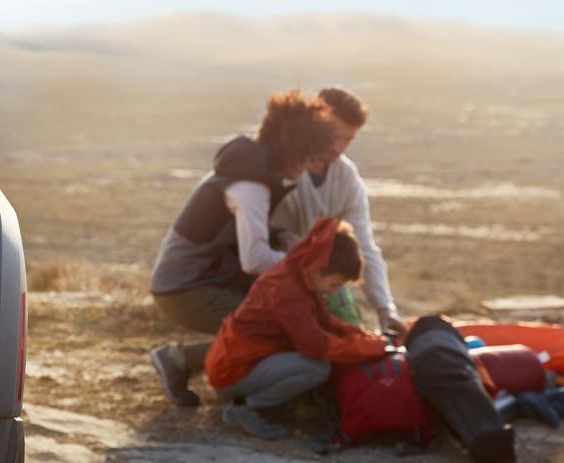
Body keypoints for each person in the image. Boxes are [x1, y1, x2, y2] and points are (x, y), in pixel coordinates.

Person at [148, 90, 342, 406]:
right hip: (185, 289)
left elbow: (254, 234)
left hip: (205, 277)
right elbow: (255, 260)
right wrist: (307, 269)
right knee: (278, 328)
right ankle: (182, 360)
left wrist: (298, 247)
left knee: (282, 319)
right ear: (292, 150)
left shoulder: (250, 170)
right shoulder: (250, 185)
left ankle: (194, 363)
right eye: (308, 159)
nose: (307, 169)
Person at [204, 218, 390, 439]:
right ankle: (244, 407)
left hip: (246, 361)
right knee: (316, 367)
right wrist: (371, 348)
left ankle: (261, 402)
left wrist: (366, 338)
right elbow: (316, 345)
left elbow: (326, 322)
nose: (333, 292)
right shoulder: (287, 289)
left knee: (316, 360)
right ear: (318, 270)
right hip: (233, 371)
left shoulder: (301, 273)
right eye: (334, 285)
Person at [272, 86, 406, 338]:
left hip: (317, 275)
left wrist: (385, 309)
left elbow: (364, 245)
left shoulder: (346, 178)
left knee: (348, 334)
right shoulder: (282, 165)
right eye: (334, 134)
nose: (338, 147)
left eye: (348, 139)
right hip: (266, 271)